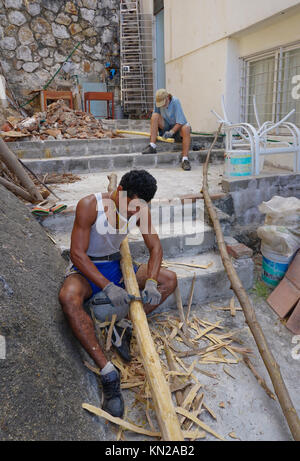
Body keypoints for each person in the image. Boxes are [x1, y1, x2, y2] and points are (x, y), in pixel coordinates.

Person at [58, 170, 177, 418]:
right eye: (132, 206)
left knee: (169, 280)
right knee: (68, 297)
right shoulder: (90, 205)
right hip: (88, 267)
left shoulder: (140, 209)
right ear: (120, 191)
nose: (135, 213)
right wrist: (107, 286)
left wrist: (152, 282)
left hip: (117, 265)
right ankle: (107, 372)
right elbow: (77, 254)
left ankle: (123, 325)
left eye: (140, 208)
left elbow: (155, 247)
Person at [142, 89, 192, 171]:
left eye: (163, 103)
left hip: (178, 129)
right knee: (154, 116)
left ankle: (185, 160)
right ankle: (152, 146)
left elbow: (180, 121)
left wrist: (172, 132)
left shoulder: (175, 101)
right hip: (166, 126)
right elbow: (156, 118)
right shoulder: (158, 102)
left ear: (168, 97)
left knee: (186, 128)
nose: (162, 105)